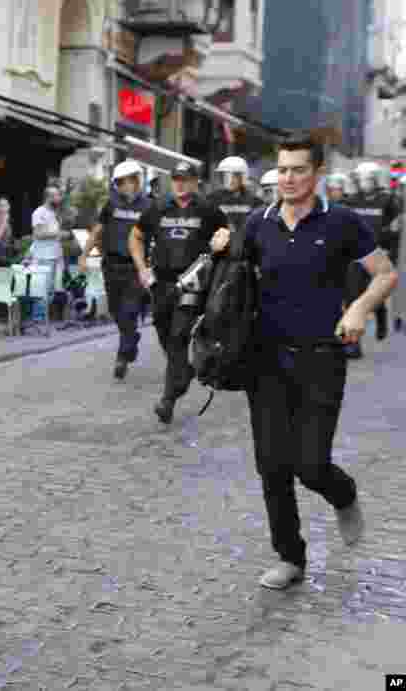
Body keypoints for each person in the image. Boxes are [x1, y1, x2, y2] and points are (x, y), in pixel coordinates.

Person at [210, 132, 397, 590]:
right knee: (272, 464)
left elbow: (386, 273)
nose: (289, 178)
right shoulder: (258, 223)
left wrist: (358, 308)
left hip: (321, 359)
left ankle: (343, 493)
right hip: (266, 359)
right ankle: (290, 558)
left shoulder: (343, 222)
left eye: (298, 170)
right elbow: (231, 276)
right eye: (283, 170)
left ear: (316, 174)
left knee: (310, 464)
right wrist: (220, 246)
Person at [129, 161, 230, 424]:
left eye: (185, 179)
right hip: (161, 283)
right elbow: (136, 236)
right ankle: (183, 372)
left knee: (178, 336)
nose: (180, 184)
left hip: (193, 283)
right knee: (164, 334)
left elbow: (225, 237)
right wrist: (141, 268)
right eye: (176, 179)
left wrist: (219, 252)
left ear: (195, 181)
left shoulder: (208, 210)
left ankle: (168, 399)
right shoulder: (158, 208)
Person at [80, 160, 153, 380]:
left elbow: (158, 235)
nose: (123, 186)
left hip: (135, 268)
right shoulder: (111, 204)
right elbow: (97, 231)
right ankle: (130, 339)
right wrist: (84, 255)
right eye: (119, 182)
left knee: (129, 310)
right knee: (115, 311)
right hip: (111, 266)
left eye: (127, 181)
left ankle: (123, 355)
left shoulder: (149, 206)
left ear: (136, 180)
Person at [344, 161, 402, 354]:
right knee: (353, 296)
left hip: (377, 254)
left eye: (366, 179)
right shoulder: (352, 200)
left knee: (373, 294)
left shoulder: (387, 200)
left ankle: (381, 314)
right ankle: (353, 344)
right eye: (360, 179)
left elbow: (394, 230)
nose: (363, 183)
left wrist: (389, 251)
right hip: (355, 256)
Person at [28, 183, 68, 324]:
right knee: (41, 289)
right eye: (56, 196)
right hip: (43, 256)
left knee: (51, 290)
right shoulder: (39, 213)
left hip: (55, 255)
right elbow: (38, 233)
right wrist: (57, 233)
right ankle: (38, 319)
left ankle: (42, 318)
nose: (59, 198)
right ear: (48, 197)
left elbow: (54, 236)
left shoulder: (54, 214)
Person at [207, 156, 265, 234]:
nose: (230, 180)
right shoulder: (212, 199)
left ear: (243, 177)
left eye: (234, 176)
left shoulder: (255, 202)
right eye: (225, 176)